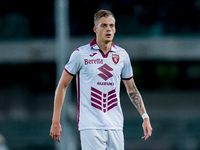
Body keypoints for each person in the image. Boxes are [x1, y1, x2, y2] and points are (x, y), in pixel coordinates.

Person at [50, 9, 152, 150]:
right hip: (90, 125)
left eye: (111, 25)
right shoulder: (80, 54)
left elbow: (131, 88)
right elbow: (62, 85)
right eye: (103, 25)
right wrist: (56, 120)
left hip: (115, 124)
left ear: (115, 29)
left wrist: (145, 116)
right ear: (95, 29)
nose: (108, 29)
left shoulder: (122, 56)